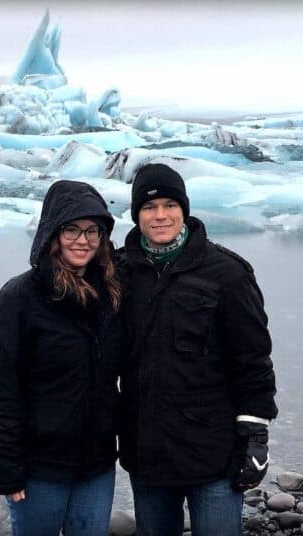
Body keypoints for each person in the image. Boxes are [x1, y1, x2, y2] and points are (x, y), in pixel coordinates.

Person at [116, 163, 277, 536]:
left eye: (170, 205)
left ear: (184, 210)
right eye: (149, 207)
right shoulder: (121, 272)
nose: (161, 216)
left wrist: (255, 436)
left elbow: (253, 359)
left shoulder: (227, 273)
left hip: (213, 455)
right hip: (148, 452)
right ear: (136, 214)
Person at [0, 180, 124, 536]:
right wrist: (5, 467)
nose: (82, 240)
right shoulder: (20, 298)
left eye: (93, 230)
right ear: (52, 232)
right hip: (39, 467)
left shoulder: (111, 292)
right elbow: (0, 390)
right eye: (71, 228)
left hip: (97, 464)